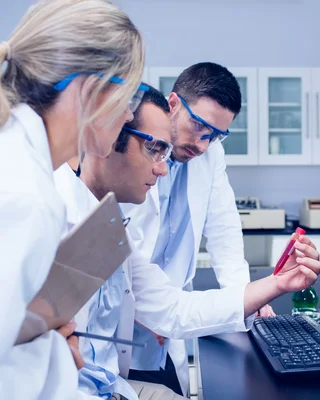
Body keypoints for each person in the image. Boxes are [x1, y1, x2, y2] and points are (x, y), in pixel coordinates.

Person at [0, 0, 145, 398]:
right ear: (93, 90)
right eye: (131, 98)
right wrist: (52, 360)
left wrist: (30, 332)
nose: (129, 118)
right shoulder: (18, 195)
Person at [54, 85, 320, 400]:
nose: (163, 167)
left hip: (110, 385)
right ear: (105, 137)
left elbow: (176, 308)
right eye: (153, 149)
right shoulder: (47, 218)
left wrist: (277, 283)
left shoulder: (111, 225)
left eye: (214, 135)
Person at [122, 62, 272, 395]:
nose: (203, 144)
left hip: (171, 318)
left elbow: (224, 230)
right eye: (199, 126)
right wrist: (149, 308)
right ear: (173, 104)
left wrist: (245, 296)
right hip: (125, 320)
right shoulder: (129, 154)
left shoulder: (210, 155)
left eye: (215, 135)